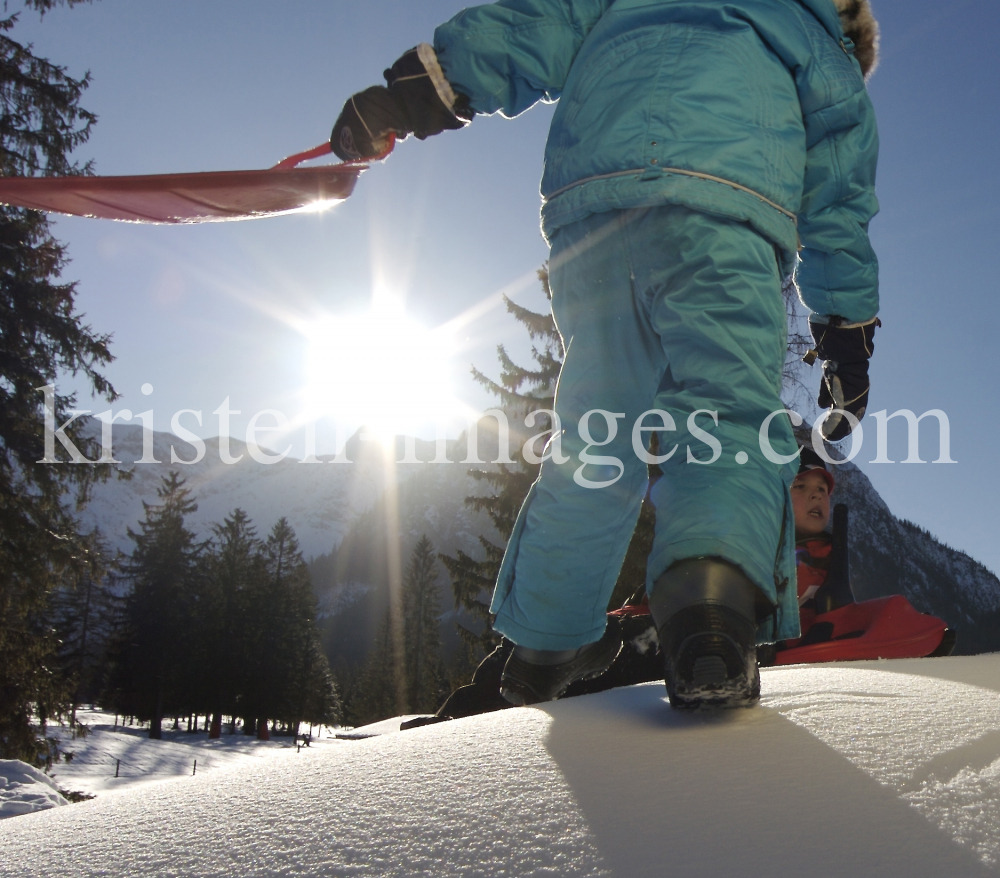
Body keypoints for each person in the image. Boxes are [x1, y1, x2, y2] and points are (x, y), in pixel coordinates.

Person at [331, 0, 881, 709]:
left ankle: (547, 641)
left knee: (596, 427)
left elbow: (537, 24)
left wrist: (415, 91)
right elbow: (839, 199)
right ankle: (707, 611)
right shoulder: (815, 40)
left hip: (593, 215)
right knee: (726, 417)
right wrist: (846, 331)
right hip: (727, 216)